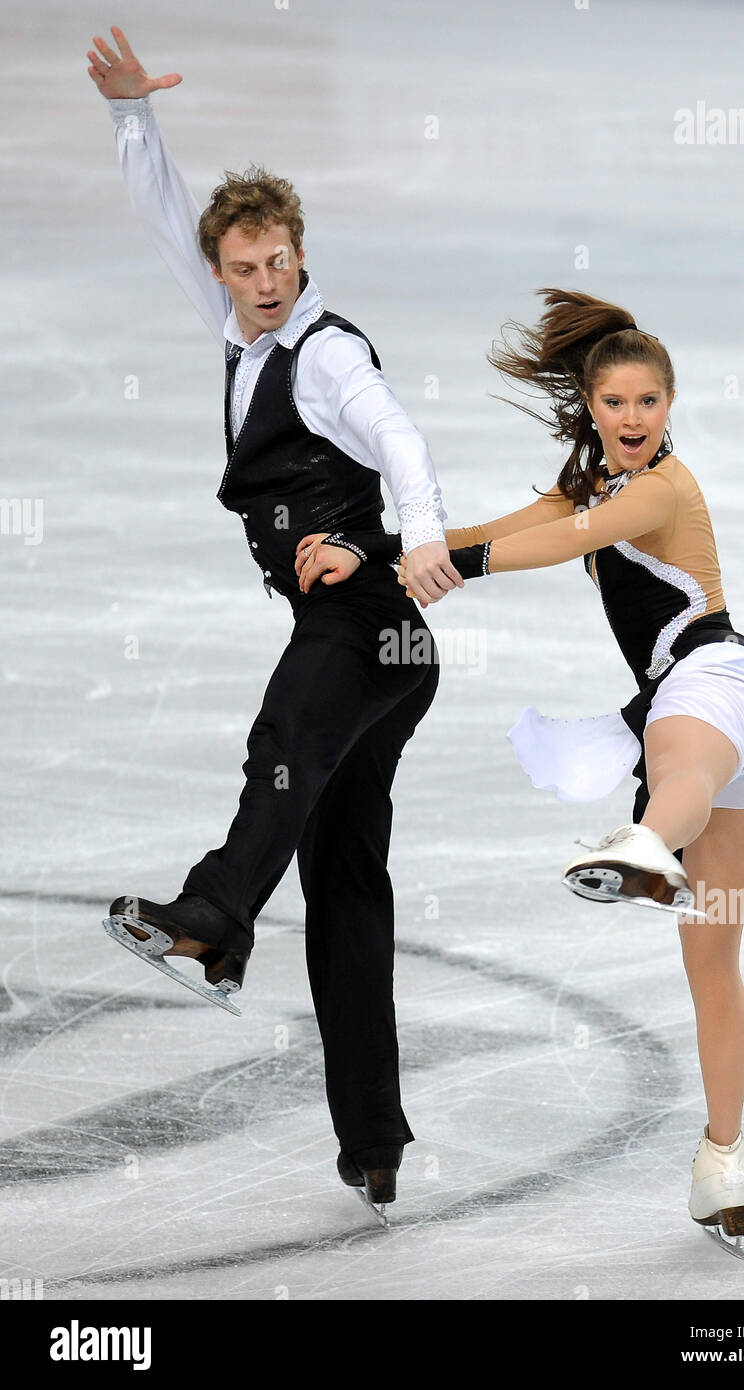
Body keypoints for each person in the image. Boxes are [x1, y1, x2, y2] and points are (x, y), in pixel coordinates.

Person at [87, 24, 464, 1213]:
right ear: (227, 270)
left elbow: (399, 438)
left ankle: (210, 919)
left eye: (280, 261)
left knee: (281, 748)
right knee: (344, 877)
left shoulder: (322, 355)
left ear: (303, 256)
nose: (267, 281)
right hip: (389, 651)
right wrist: (134, 119)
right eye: (246, 266)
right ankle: (374, 1138)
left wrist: (412, 537)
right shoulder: (240, 342)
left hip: (371, 622)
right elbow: (163, 225)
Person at [384, 289, 744, 1256]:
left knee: (677, 753)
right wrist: (393, 553)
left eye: (648, 402)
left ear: (669, 407)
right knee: (711, 954)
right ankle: (723, 1163)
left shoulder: (662, 489)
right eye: (615, 403)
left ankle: (653, 840)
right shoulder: (590, 488)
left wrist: (460, 571)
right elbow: (501, 526)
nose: (632, 419)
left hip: (719, 682)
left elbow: (561, 544)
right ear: (590, 404)